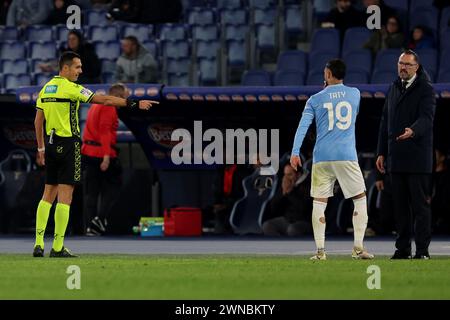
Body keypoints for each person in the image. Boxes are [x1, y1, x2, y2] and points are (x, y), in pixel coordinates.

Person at [33, 51, 158, 258]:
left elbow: (38, 121)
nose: (80, 71)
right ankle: (57, 247)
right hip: (69, 144)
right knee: (65, 198)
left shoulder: (45, 89)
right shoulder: (72, 89)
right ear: (65, 68)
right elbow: (105, 100)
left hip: (50, 144)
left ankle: (38, 244)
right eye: (77, 67)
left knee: (47, 195)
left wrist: (40, 148)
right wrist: (134, 103)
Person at [290, 59, 374, 260]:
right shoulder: (355, 94)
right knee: (360, 200)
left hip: (322, 157)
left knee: (319, 202)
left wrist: (295, 152)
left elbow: (303, 127)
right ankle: (358, 248)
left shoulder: (315, 99)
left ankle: (320, 252)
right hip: (346, 156)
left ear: (327, 74)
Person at [376, 50, 436, 259]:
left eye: (408, 64)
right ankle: (402, 249)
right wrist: (381, 152)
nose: (403, 67)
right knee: (400, 208)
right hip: (396, 158)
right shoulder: (394, 87)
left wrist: (413, 130)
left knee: (420, 208)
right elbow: (385, 122)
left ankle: (422, 251)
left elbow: (427, 119)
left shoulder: (426, 89)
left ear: (416, 67)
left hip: (418, 158)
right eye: (401, 63)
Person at [81, 83, 127, 236]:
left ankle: (90, 226)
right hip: (101, 153)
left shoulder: (96, 104)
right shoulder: (109, 106)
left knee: (91, 191)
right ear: (118, 97)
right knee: (114, 187)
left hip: (88, 151)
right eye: (125, 97)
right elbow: (105, 132)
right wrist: (107, 157)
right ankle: (99, 220)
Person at [262, 163, 312, 236]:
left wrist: (290, 192)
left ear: (298, 174)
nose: (286, 178)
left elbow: (303, 209)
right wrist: (282, 193)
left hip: (305, 221)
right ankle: (278, 246)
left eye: (289, 175)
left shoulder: (309, 185)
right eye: (285, 175)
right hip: (288, 219)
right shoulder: (286, 183)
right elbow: (273, 208)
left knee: (292, 229)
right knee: (267, 225)